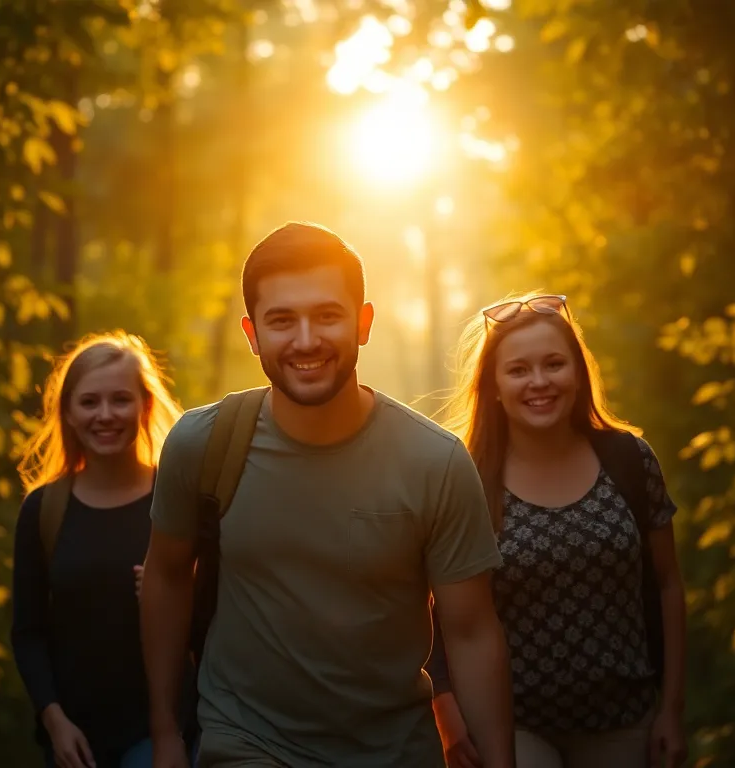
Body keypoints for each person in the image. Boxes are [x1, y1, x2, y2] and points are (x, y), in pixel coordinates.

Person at [140, 222, 517, 768]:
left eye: (327, 315)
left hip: (394, 751)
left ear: (363, 323)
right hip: (247, 742)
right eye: (282, 320)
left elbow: (472, 630)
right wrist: (166, 733)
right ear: (252, 335)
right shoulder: (203, 445)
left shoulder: (434, 462)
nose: (306, 339)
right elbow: (167, 575)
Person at [427, 293, 688, 768]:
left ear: (578, 373)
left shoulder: (630, 460)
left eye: (553, 364)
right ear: (495, 387)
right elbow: (439, 612)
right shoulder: (467, 479)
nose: (539, 382)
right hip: (513, 725)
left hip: (625, 720)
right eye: (519, 370)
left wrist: (670, 709)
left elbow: (668, 583)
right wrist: (445, 708)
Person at [11, 331, 185, 768]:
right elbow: (27, 631)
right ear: (67, 412)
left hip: (162, 736)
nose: (105, 415)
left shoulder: (179, 498)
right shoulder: (43, 510)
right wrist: (54, 722)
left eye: (120, 400)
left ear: (145, 406)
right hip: (76, 743)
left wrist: (178, 597)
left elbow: (224, 616)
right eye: (89, 402)